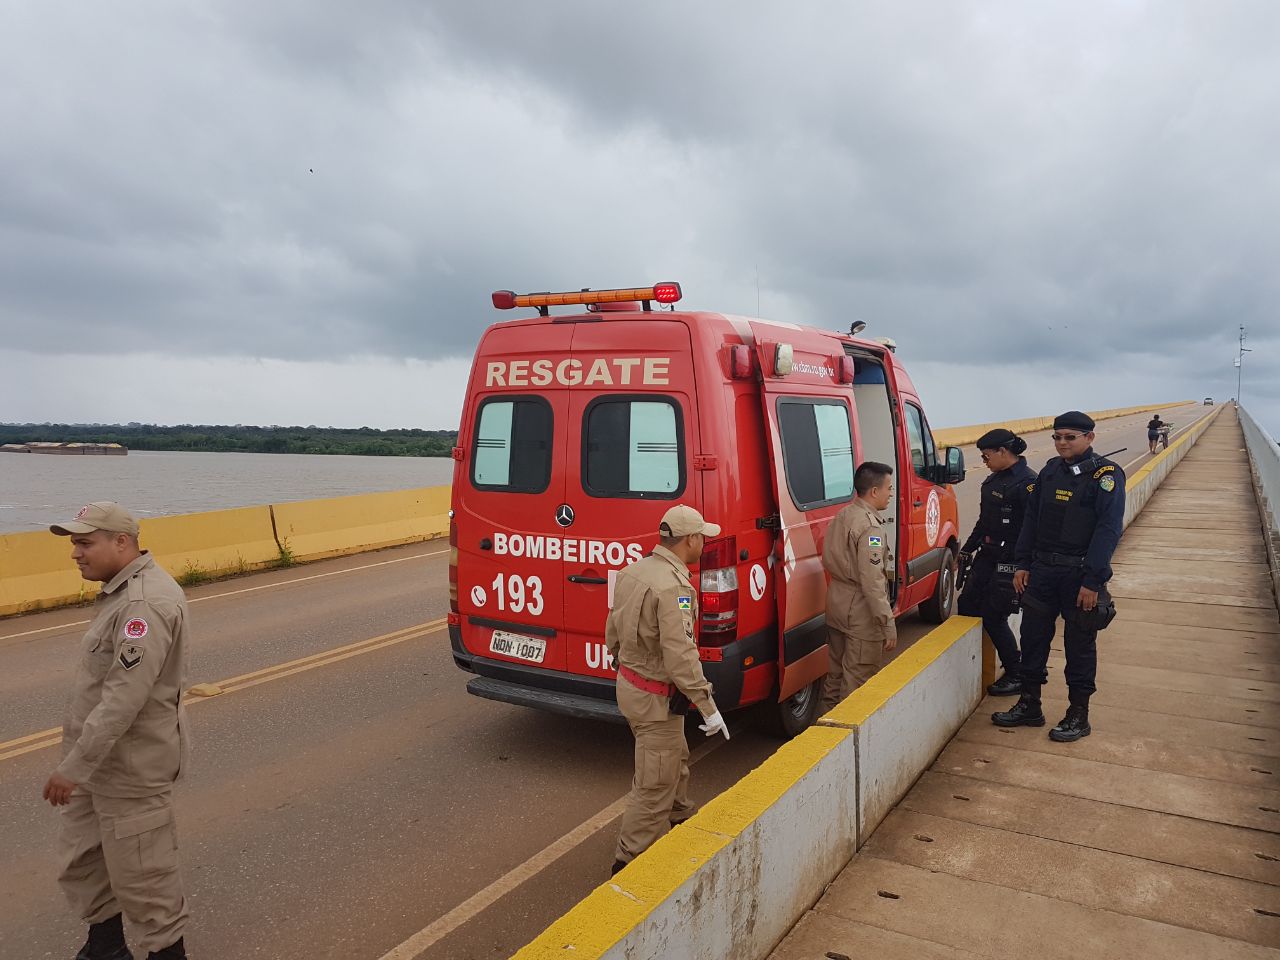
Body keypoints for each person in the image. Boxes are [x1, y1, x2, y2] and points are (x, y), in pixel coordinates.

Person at [42, 502, 190, 960]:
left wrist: (73, 768)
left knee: (146, 882)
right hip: (97, 764)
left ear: (121, 542)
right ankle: (105, 948)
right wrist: (81, 766)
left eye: (85, 543)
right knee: (84, 863)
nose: (75, 554)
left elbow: (124, 698)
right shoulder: (118, 592)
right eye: (74, 543)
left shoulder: (143, 603)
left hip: (130, 769)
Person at [606, 505, 728, 876]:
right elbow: (682, 655)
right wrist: (706, 704)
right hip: (655, 697)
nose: (705, 542)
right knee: (654, 783)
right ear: (690, 539)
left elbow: (612, 631)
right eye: (702, 536)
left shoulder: (634, 570)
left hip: (632, 686)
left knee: (674, 758)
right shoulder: (675, 586)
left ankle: (681, 821)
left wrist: (629, 667)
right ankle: (629, 862)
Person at [993, 413, 1125, 742]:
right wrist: (1022, 563)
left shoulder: (1106, 475)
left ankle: (1078, 715)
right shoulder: (1051, 470)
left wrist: (1093, 581)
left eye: (1070, 437)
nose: (1062, 443)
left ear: (1090, 438)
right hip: (1042, 572)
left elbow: (1108, 531)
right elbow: (1031, 521)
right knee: (1033, 638)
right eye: (1057, 437)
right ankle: (1030, 705)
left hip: (1079, 575)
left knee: (1078, 647)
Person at [957, 429, 1037, 697]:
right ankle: (969, 664)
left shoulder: (1028, 484)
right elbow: (983, 521)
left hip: (1011, 560)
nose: (984, 461)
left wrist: (1023, 565)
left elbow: (1033, 531)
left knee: (994, 615)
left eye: (987, 456)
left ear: (1003, 452)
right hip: (987, 555)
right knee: (967, 605)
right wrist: (967, 549)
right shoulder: (994, 480)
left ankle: (1015, 672)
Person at [820, 461, 897, 712]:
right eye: (889, 488)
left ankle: (823, 733)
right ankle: (845, 745)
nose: (891, 493)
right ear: (874, 491)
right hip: (860, 611)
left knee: (835, 677)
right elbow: (873, 581)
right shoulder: (870, 526)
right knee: (858, 682)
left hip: (836, 602)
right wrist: (887, 622)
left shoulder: (844, 514)